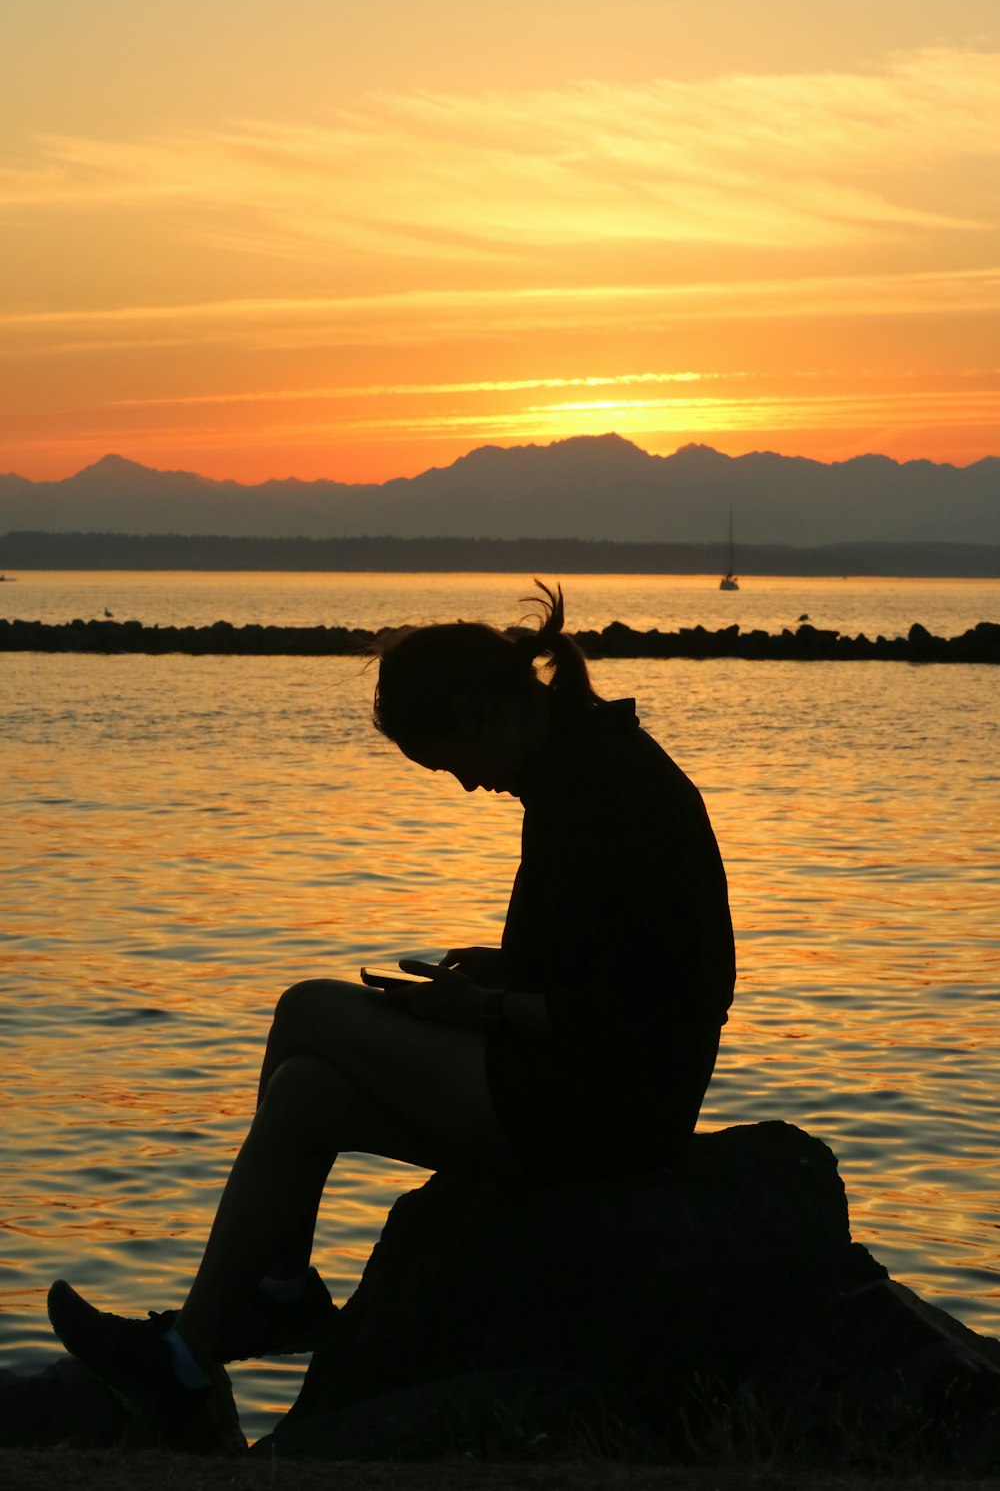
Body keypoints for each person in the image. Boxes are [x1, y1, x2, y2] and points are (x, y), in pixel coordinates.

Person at [47, 583, 735, 1453]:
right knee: (303, 1093)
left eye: (448, 761)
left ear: (477, 712)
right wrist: (494, 973)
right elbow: (605, 954)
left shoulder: (596, 791)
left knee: (307, 1010)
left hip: (603, 1111)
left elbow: (653, 1006)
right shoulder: (588, 767)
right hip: (591, 1089)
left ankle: (281, 1293)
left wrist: (483, 1005)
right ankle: (194, 1355)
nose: (466, 785)